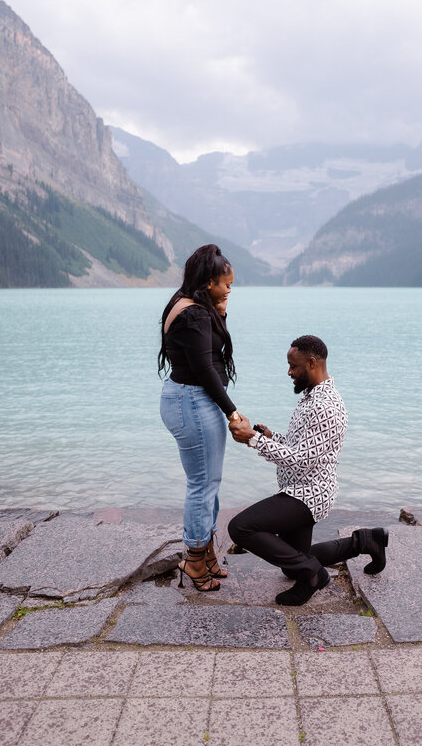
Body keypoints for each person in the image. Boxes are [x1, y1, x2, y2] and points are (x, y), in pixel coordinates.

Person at [227, 335, 388, 606]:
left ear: (311, 363)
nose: (289, 372)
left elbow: (301, 460)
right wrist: (269, 436)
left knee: (240, 527)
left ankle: (314, 576)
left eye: (294, 366)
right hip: (299, 488)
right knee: (291, 564)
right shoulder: (312, 396)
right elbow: (302, 446)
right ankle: (366, 541)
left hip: (308, 494)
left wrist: (254, 440)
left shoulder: (324, 406)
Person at [158, 244, 242, 593]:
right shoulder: (193, 314)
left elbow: (206, 351)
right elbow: (206, 369)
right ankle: (194, 560)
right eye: (225, 284)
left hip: (188, 399)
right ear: (209, 282)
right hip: (193, 401)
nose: (229, 290)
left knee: (208, 482)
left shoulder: (192, 305)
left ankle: (205, 551)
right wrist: (232, 411)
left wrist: (220, 312)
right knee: (203, 484)